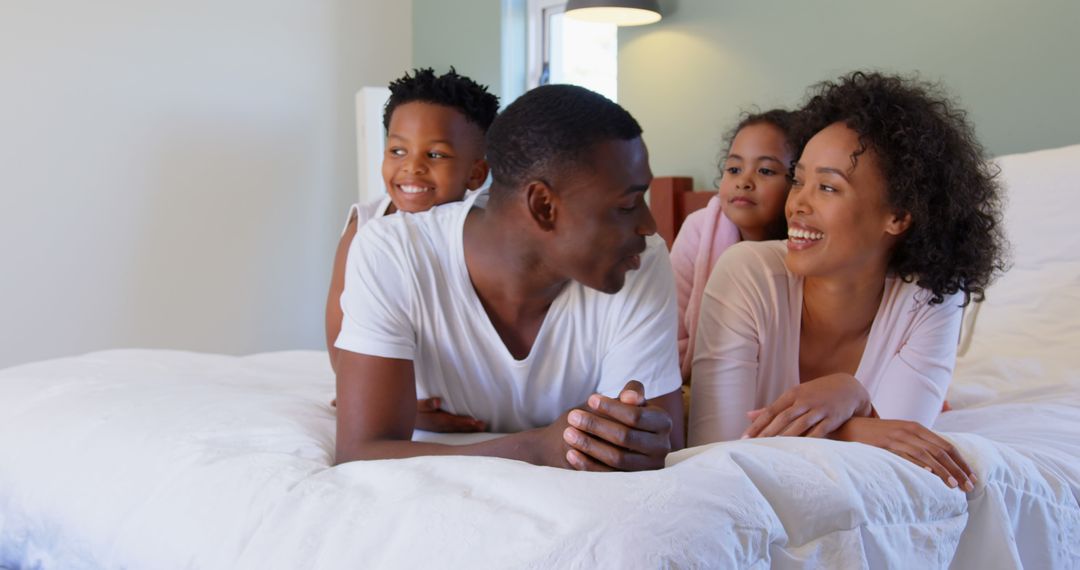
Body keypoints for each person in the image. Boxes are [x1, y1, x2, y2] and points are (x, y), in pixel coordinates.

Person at [333, 84, 684, 471]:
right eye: (628, 205)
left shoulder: (640, 262)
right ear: (543, 205)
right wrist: (536, 449)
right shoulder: (392, 252)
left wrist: (641, 440)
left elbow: (661, 449)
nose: (649, 225)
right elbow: (360, 452)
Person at [689, 72, 1006, 490]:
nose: (798, 203)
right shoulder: (746, 274)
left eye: (827, 187)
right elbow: (713, 454)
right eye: (798, 180)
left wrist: (848, 404)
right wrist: (855, 410)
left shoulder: (929, 297)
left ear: (898, 215)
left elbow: (900, 460)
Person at [324, 67, 499, 433]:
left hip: (465, 391)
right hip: (386, 382)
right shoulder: (366, 226)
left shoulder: (482, 231)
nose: (411, 167)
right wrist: (369, 396)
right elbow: (340, 333)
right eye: (398, 150)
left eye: (435, 155)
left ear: (476, 174)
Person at [670, 109, 797, 381]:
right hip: (699, 379)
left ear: (797, 184)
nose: (744, 181)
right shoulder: (699, 229)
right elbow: (669, 333)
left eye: (765, 170)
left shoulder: (806, 246)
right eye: (734, 169)